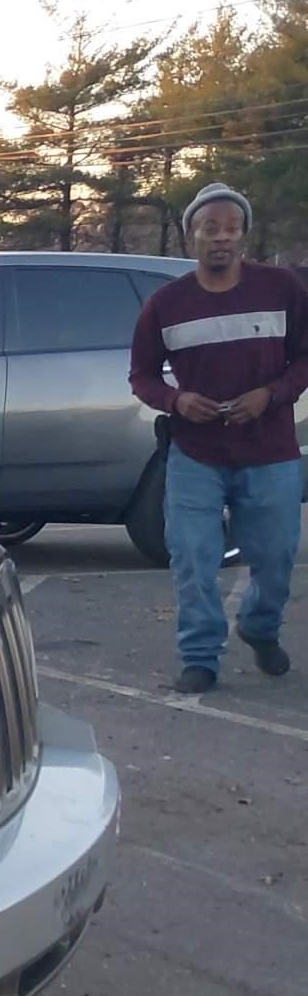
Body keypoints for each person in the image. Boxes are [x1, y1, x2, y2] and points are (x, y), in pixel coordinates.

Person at [128, 182, 308, 693]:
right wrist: (177, 401)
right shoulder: (166, 305)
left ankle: (260, 626)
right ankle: (200, 656)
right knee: (191, 558)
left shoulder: (282, 290)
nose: (221, 238)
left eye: (231, 228)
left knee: (275, 558)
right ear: (191, 238)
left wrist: (271, 394)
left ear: (244, 237)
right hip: (196, 455)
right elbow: (141, 375)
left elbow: (304, 359)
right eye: (210, 229)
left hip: (270, 452)